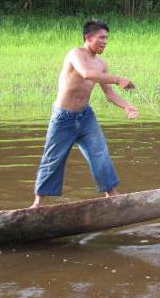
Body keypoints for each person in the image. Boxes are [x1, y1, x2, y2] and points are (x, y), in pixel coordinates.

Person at [30, 20, 138, 208]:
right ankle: (38, 203)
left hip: (85, 116)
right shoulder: (75, 54)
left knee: (100, 153)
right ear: (88, 37)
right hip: (64, 117)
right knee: (53, 158)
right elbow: (87, 73)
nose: (105, 42)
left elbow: (109, 93)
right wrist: (118, 79)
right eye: (101, 38)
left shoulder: (102, 63)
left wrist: (127, 107)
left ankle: (110, 194)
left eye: (107, 38)